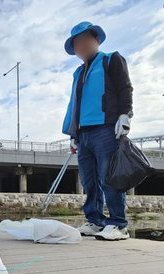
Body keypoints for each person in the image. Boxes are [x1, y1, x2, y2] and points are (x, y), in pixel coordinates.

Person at [62, 22, 133, 241]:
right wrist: (73, 133)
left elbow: (124, 87)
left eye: (85, 40)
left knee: (109, 177)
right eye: (76, 43)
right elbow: (75, 104)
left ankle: (118, 224)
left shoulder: (111, 59)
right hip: (83, 134)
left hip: (106, 128)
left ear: (96, 40)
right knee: (89, 180)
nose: (81, 45)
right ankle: (94, 220)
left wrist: (125, 114)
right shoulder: (78, 72)